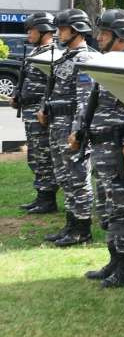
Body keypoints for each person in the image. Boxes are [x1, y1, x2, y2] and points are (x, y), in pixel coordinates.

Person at [75, 9, 124, 287]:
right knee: (106, 207)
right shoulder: (107, 64)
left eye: (104, 33)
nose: (99, 37)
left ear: (121, 36)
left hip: (119, 149)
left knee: (123, 208)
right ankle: (115, 259)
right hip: (101, 147)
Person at [40, 8, 99, 247]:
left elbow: (85, 101)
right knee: (65, 178)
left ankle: (82, 228)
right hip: (58, 126)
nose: (58, 33)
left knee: (77, 177)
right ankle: (70, 224)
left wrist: (78, 132)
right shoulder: (65, 57)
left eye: (62, 29)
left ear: (76, 31)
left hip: (71, 129)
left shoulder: (84, 59)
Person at [13, 12, 60, 215]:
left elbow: (55, 87)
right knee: (35, 155)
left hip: (40, 114)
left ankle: (47, 199)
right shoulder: (36, 53)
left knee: (43, 155)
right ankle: (41, 196)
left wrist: (44, 108)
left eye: (31, 30)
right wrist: (18, 96)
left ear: (42, 31)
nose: (28, 34)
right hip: (29, 111)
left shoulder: (52, 55)